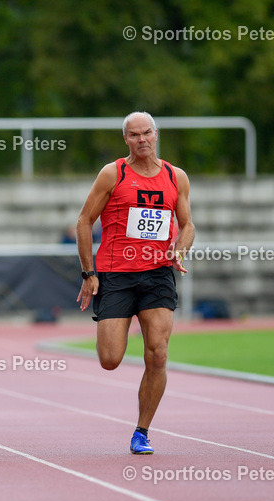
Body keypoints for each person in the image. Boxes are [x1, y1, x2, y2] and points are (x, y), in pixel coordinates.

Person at [75, 112, 195, 454]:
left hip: (158, 274)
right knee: (110, 359)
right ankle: (139, 426)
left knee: (158, 354)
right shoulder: (113, 173)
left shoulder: (176, 176)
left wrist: (179, 250)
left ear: (156, 134)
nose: (141, 139)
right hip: (116, 274)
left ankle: (141, 431)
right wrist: (89, 273)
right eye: (134, 135)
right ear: (125, 139)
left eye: (147, 133)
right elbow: (84, 221)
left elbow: (187, 224)